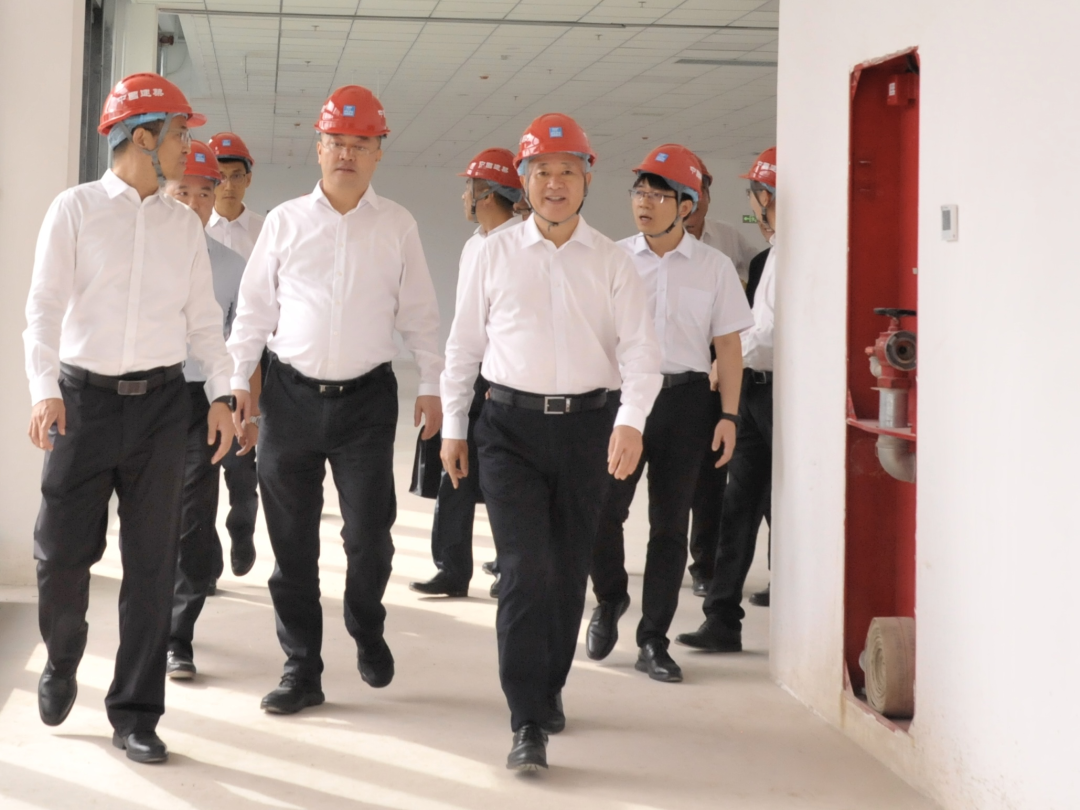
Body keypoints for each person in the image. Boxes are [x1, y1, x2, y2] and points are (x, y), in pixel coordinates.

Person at [23, 74, 235, 764]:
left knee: (152, 563)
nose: (188, 147)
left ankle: (137, 713)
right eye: (180, 134)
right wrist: (43, 389)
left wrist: (224, 394)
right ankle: (62, 656)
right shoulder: (75, 209)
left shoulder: (183, 226)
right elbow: (42, 308)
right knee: (60, 554)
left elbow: (204, 322)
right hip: (81, 405)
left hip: (162, 410)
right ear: (143, 137)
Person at [441, 113, 662, 771]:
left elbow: (642, 353)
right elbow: (463, 347)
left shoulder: (614, 261)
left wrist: (631, 421)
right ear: (524, 178)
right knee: (524, 568)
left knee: (567, 572)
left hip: (588, 431)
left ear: (587, 178)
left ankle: (550, 684)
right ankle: (526, 718)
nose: (555, 183)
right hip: (508, 430)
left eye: (568, 171)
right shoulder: (492, 254)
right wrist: (454, 426)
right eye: (541, 172)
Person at [227, 85, 443, 715]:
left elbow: (421, 315)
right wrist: (238, 381)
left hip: (366, 402)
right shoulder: (286, 223)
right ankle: (302, 668)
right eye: (337, 142)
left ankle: (365, 620)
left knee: (370, 536)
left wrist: (432, 384)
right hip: (289, 398)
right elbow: (253, 312)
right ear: (318, 147)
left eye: (360, 144)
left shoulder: (397, 225)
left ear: (378, 152)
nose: (347, 153)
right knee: (291, 543)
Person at [586, 145, 752, 683]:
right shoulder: (612, 258)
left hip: (686, 403)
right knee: (602, 511)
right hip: (623, 401)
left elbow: (728, 347)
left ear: (686, 205)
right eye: (639, 192)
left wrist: (729, 416)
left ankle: (652, 639)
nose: (644, 203)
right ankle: (610, 597)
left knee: (669, 525)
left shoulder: (714, 267)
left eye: (658, 195)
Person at [677, 147, 778, 653]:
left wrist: (727, 359)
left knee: (781, 507)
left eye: (756, 195)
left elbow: (771, 333)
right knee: (738, 504)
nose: (754, 206)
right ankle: (721, 618)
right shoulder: (769, 256)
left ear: (768, 199)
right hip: (755, 393)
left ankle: (793, 610)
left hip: (778, 394)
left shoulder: (795, 254)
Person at [411, 148, 523, 599]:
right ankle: (451, 568)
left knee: (503, 480)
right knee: (453, 473)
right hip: (469, 373)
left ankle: (509, 566)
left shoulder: (521, 245)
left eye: (469, 188)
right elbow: (465, 324)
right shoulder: (474, 244)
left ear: (487, 194)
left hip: (505, 379)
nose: (463, 196)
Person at [162, 141, 255, 680]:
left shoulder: (233, 266)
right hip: (147, 396)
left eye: (205, 194)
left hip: (203, 399)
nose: (195, 204)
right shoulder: (142, 252)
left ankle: (178, 635)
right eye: (184, 192)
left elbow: (244, 344)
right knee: (153, 517)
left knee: (194, 518)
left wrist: (243, 405)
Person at [684, 159, 766, 596]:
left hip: (721, 359)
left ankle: (705, 565)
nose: (694, 203)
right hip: (672, 368)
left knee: (712, 471)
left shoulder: (727, 238)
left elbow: (761, 272)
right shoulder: (641, 249)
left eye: (700, 194)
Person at [206, 131, 263, 582]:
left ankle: (241, 531)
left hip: (253, 364)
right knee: (199, 473)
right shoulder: (192, 227)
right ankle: (204, 565)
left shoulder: (266, 232)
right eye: (219, 176)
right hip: (200, 367)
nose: (227, 185)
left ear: (248, 179)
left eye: (236, 176)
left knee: (243, 467)